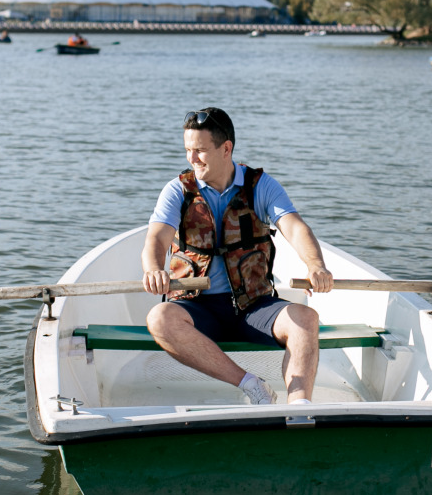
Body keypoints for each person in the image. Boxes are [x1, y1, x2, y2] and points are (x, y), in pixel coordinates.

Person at [142, 108, 334, 405]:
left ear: (226, 149)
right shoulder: (177, 190)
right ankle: (252, 385)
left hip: (253, 306)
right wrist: (154, 269)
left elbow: (295, 228)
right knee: (159, 319)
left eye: (200, 151)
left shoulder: (260, 185)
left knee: (305, 319)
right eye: (188, 150)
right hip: (197, 307)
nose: (192, 159)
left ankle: (299, 406)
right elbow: (156, 237)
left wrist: (316, 265)